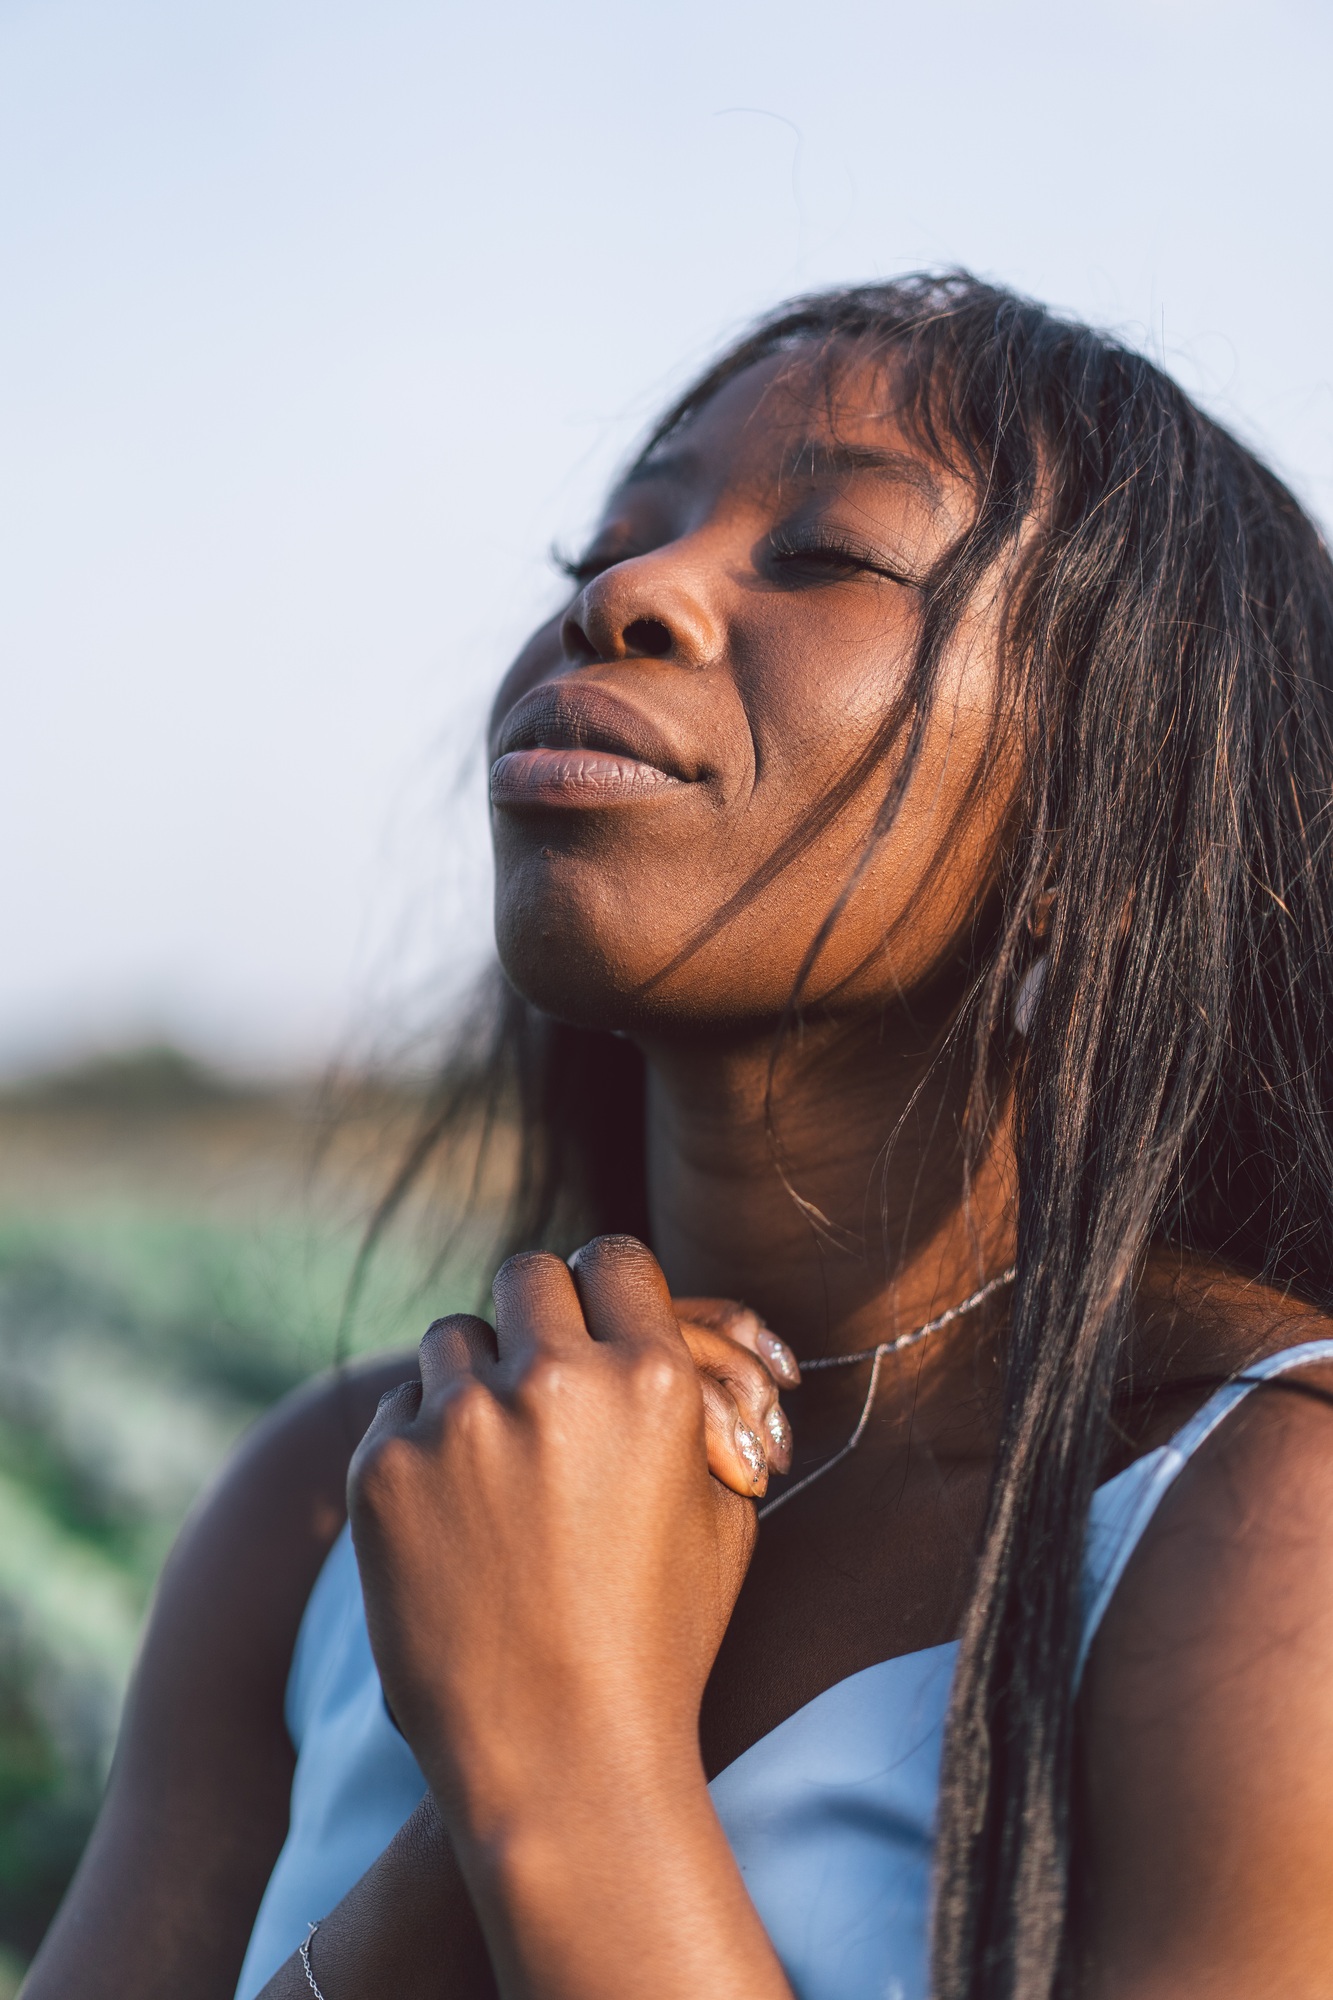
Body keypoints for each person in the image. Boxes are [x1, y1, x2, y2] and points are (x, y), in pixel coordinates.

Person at [26, 273, 1333, 2000]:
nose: (628, 596)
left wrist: (564, 1764)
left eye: (829, 557)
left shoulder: (1259, 1526)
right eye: (603, 554)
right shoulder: (327, 1504)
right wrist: (458, 1844)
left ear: (1105, 843)